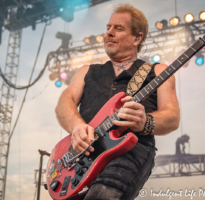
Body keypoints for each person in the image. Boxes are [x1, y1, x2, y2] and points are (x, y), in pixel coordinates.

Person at [55, 3, 180, 200]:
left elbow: (172, 116)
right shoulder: (87, 71)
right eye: (108, 28)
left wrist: (145, 122)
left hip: (130, 152)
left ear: (137, 38)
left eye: (118, 29)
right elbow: (64, 102)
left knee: (101, 196)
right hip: (82, 158)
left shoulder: (158, 71)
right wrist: (77, 126)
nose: (109, 33)